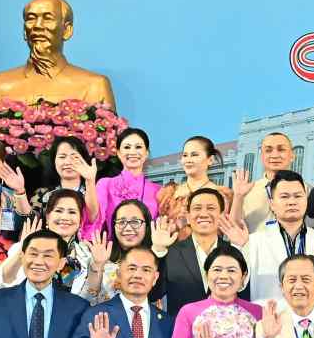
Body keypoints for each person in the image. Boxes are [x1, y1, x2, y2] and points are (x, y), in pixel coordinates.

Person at [0, 0, 117, 107]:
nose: (37, 26)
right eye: (31, 18)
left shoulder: (94, 86)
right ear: (24, 31)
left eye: (47, 18)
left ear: (67, 30)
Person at [228, 170, 314, 314]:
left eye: (298, 196)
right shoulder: (254, 242)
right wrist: (241, 247)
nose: (292, 201)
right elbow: (237, 285)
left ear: (306, 200)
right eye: (284, 196)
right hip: (271, 327)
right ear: (272, 204)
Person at [0, 190, 104, 300]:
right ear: (48, 216)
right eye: (59, 211)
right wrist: (22, 251)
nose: (65, 217)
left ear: (80, 220)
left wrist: (97, 267)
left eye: (72, 212)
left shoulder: (87, 256)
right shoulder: (24, 247)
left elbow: (90, 298)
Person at [152, 187, 242, 323]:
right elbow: (153, 294)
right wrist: (159, 251)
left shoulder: (234, 252)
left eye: (211, 208)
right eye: (197, 208)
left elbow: (244, 298)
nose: (204, 214)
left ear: (222, 214)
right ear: (187, 216)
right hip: (183, 336)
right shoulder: (170, 253)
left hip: (227, 337)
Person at [156, 137, 233, 242]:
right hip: (168, 254)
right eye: (185, 155)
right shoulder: (169, 193)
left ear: (210, 160)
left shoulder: (222, 195)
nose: (188, 160)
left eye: (194, 155)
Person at [95, 199, 164, 305]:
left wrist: (158, 251)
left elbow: (157, 294)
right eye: (121, 222)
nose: (127, 228)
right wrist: (97, 266)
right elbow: (88, 296)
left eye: (135, 222)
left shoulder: (159, 255)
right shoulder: (101, 255)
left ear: (147, 226)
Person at [30, 136, 101, 230]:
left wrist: (90, 181)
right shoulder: (43, 194)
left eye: (75, 157)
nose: (68, 162)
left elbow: (93, 219)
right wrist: (20, 193)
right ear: (54, 161)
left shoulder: (98, 192)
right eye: (62, 157)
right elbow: (31, 221)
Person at [95, 128, 159, 229]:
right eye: (127, 147)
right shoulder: (105, 184)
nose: (132, 152)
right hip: (112, 243)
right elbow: (95, 220)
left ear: (146, 153)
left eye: (138, 147)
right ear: (119, 153)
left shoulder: (158, 190)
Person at [235, 131, 295, 231]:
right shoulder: (247, 191)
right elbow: (235, 228)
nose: (275, 155)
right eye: (268, 150)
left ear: (292, 156)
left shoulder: (305, 190)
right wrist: (238, 197)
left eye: (281, 149)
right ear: (261, 156)